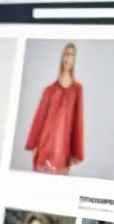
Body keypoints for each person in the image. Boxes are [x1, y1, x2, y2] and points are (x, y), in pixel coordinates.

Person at [23, 41, 85, 175]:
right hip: (45, 147)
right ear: (62, 57)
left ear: (74, 59)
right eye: (66, 54)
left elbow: (77, 122)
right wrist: (32, 143)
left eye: (71, 55)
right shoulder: (49, 90)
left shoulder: (77, 90)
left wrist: (76, 151)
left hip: (63, 150)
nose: (68, 58)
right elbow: (39, 118)